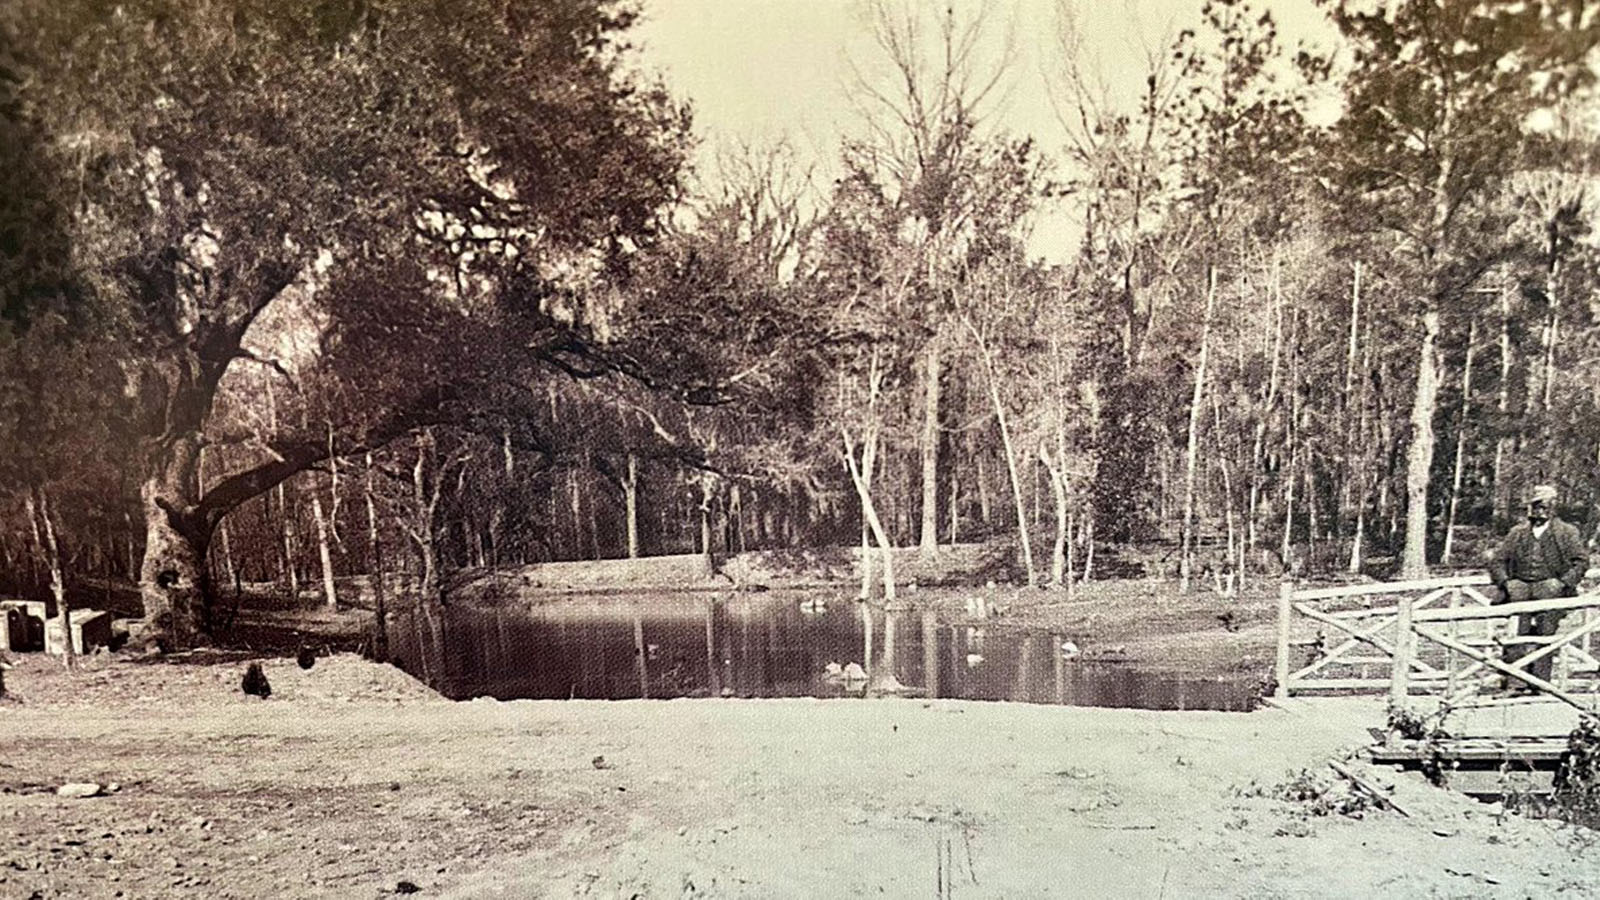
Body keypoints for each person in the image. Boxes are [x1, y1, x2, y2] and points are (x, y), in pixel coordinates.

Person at [1486, 484, 1589, 690]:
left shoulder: (1567, 532)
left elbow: (1581, 562)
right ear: (1530, 508)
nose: (1540, 511)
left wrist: (1561, 583)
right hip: (1520, 589)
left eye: (1545, 506)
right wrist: (1507, 583)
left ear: (1553, 508)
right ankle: (1515, 684)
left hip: (1550, 589)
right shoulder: (1517, 533)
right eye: (1536, 506)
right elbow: (1497, 561)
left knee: (1546, 635)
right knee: (1516, 635)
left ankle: (1541, 685)